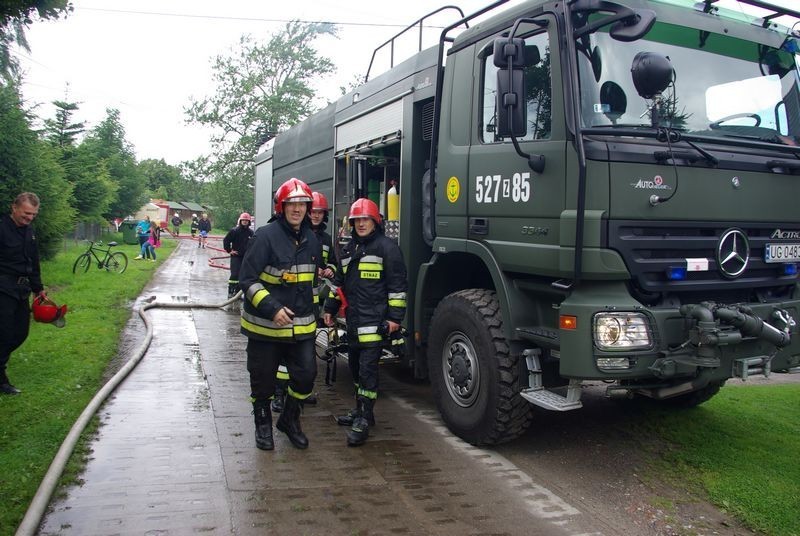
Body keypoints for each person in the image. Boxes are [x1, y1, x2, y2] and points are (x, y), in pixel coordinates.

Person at [239, 178, 322, 451]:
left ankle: (289, 419)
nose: (297, 209)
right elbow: (247, 279)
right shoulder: (265, 236)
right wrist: (272, 309)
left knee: (306, 376)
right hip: (266, 328)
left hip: (302, 328)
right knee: (262, 381)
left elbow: (312, 280)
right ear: (281, 206)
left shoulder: (312, 239)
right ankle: (263, 424)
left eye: (302, 204)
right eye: (292, 204)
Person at [323, 198, 407, 447]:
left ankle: (365, 419)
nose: (361, 224)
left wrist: (394, 318)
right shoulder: (348, 250)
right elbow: (338, 284)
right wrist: (330, 308)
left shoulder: (387, 249)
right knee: (357, 370)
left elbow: (398, 288)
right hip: (353, 323)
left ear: (375, 221)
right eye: (356, 220)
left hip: (375, 322)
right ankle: (361, 411)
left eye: (365, 219)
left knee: (368, 371)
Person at [271, 191, 334, 413]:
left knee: (304, 356)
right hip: (289, 301)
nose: (315, 216)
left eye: (319, 212)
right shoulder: (292, 235)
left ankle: (300, 393)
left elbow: (333, 264)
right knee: (284, 353)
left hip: (311, 302)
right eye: (313, 211)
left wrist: (329, 269)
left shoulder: (324, 240)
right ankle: (278, 395)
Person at [0, 193, 46, 395]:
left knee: (20, 332)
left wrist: (38, 288)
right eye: (26, 214)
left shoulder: (29, 232)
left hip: (22, 289)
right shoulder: (2, 228)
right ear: (14, 207)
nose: (29, 218)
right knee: (4, 333)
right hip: (2, 288)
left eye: (33, 215)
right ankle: (1, 380)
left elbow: (33, 262)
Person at [223, 212, 254, 298]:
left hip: (246, 258)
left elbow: (254, 244)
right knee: (235, 274)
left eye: (246, 220)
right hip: (236, 257)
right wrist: (229, 250)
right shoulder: (234, 231)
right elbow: (226, 240)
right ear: (240, 221)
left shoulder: (251, 233)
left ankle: (237, 294)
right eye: (243, 220)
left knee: (243, 275)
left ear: (249, 222)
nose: (245, 222)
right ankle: (231, 291)